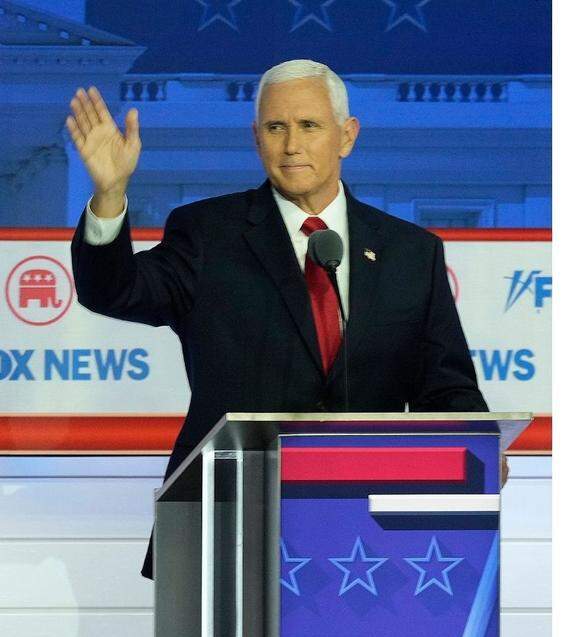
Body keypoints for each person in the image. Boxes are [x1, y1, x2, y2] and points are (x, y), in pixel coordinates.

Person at [67, 60, 488, 578]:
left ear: (346, 136)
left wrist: (478, 448)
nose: (291, 144)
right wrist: (110, 196)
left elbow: (446, 388)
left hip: (370, 533)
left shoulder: (410, 252)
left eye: (309, 125)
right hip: (230, 520)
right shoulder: (207, 234)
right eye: (275, 127)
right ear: (257, 137)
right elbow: (114, 290)